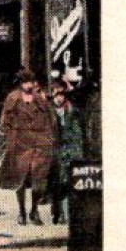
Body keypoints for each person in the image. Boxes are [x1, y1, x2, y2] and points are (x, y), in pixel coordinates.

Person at [0, 71, 56, 225]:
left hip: (39, 143)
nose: (29, 84)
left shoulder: (40, 99)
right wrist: (8, 138)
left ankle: (34, 210)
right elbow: (5, 121)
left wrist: (48, 139)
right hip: (19, 143)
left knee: (39, 181)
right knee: (20, 180)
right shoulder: (12, 98)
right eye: (26, 81)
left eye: (31, 81)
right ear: (21, 83)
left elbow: (51, 120)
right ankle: (22, 211)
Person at [48, 83, 85, 225]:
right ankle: (57, 212)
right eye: (57, 96)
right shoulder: (48, 112)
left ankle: (65, 213)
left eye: (61, 95)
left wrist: (76, 152)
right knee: (55, 184)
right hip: (54, 152)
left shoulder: (71, 111)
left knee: (67, 183)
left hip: (69, 151)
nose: (59, 99)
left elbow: (77, 134)